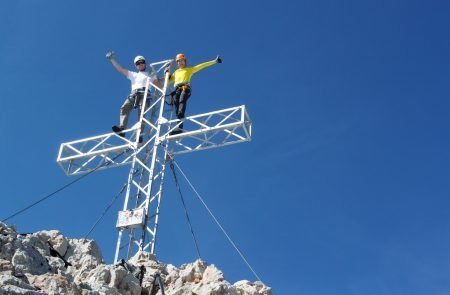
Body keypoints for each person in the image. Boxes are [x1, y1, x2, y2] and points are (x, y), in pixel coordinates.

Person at [106, 51, 161, 141]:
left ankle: (139, 135)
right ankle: (122, 129)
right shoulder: (134, 75)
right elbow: (121, 70)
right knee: (125, 107)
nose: (140, 64)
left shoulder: (150, 74)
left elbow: (159, 86)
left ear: (144, 63)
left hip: (145, 95)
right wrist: (112, 59)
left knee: (142, 114)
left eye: (141, 62)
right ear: (136, 66)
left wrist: (168, 77)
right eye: (137, 63)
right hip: (134, 94)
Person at [166, 53, 222, 134]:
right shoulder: (176, 72)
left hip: (185, 88)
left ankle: (180, 119)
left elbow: (202, 65)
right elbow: (167, 82)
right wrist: (166, 73)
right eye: (178, 61)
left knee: (181, 103)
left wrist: (214, 61)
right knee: (177, 109)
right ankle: (179, 128)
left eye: (182, 61)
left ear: (185, 61)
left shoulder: (189, 70)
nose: (180, 63)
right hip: (177, 90)